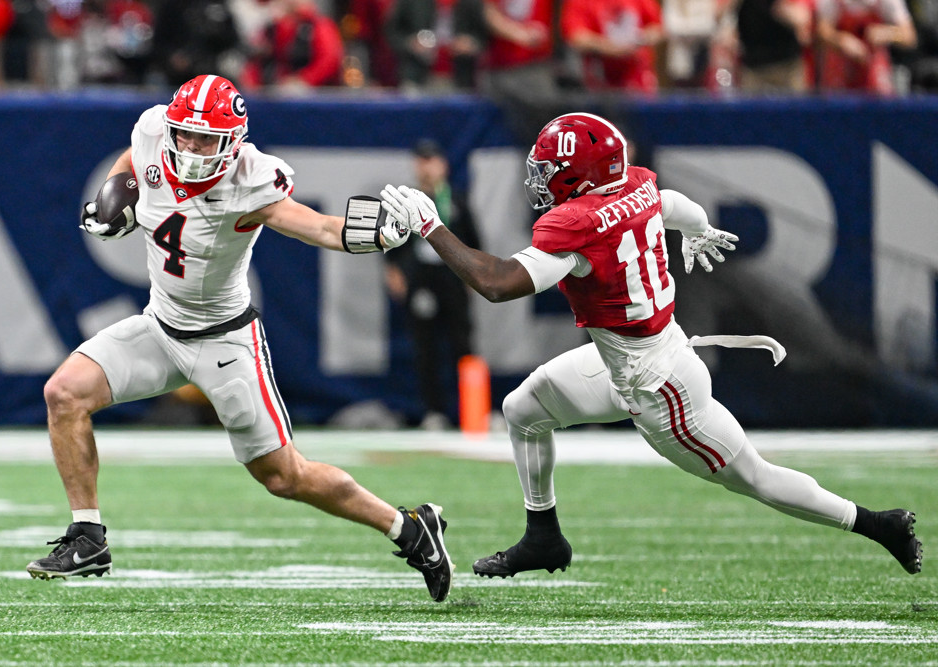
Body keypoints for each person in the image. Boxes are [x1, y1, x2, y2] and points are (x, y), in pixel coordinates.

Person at [380, 112, 923, 579]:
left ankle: (880, 524)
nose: (540, 182)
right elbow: (671, 204)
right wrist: (700, 228)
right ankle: (543, 534)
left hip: (662, 390)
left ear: (580, 174)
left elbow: (496, 284)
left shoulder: (578, 222)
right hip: (627, 358)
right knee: (522, 409)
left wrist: (432, 224)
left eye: (549, 172)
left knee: (756, 477)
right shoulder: (632, 185)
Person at [25, 75, 453, 604]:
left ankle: (408, 528)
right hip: (161, 326)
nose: (192, 148)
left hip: (225, 342)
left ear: (234, 142)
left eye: (207, 140)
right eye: (186, 136)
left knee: (284, 476)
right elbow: (131, 160)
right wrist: (115, 195)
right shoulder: (154, 131)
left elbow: (316, 227)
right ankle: (88, 537)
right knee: (63, 393)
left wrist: (374, 234)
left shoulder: (253, 180)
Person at [384, 139, 481, 430]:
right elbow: (391, 241)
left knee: (462, 343)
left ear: (443, 165)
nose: (426, 168)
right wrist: (394, 271)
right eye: (421, 161)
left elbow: (473, 241)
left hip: (452, 276)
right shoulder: (407, 202)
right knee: (425, 347)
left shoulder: (456, 200)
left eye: (431, 161)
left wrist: (473, 277)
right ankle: (433, 410)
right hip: (421, 278)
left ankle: (471, 409)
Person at [560, 0, 666, 95]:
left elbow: (657, 28)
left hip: (637, 76)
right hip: (600, 77)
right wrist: (608, 47)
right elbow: (575, 36)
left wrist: (639, 40)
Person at [816, 0, 918, 94]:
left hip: (874, 71)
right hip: (840, 74)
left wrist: (887, 33)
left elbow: (909, 37)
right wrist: (842, 41)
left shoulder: (887, 2)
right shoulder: (833, 2)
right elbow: (821, 32)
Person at [384, 0, 487, 92]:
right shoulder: (411, 3)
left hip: (461, 78)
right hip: (416, 75)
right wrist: (411, 43)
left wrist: (471, 44)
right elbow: (391, 32)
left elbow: (484, 35)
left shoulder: (471, 3)